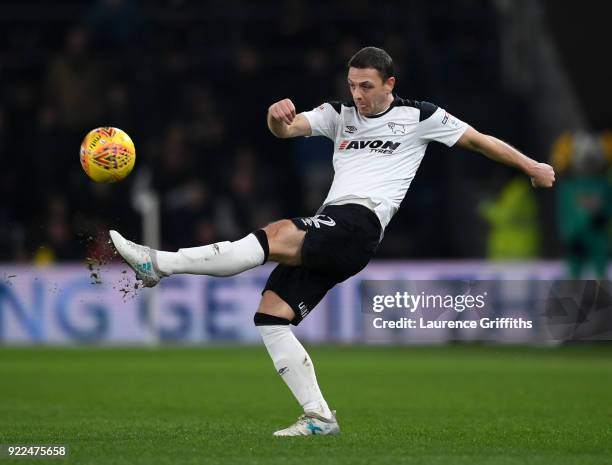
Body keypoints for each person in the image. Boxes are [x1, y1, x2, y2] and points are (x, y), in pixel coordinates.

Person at [109, 46, 555, 436]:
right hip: (334, 227)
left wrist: (532, 165)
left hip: (359, 225)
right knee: (271, 316)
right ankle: (319, 416)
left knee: (277, 233)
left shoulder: (420, 116)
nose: (357, 95)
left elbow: (479, 142)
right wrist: (275, 116)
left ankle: (158, 264)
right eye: (352, 85)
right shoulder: (338, 115)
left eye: (365, 86)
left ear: (389, 83)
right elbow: (285, 130)